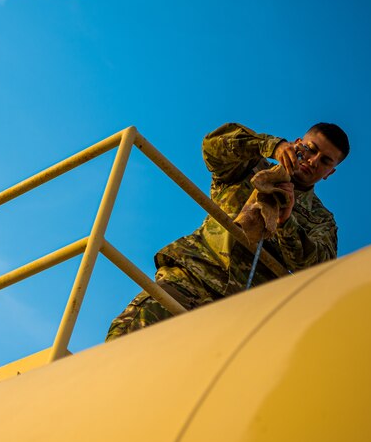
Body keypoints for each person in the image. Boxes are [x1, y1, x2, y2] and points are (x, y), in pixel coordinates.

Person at [105, 122, 349, 340]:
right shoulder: (248, 168)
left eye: (326, 161)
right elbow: (213, 146)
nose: (313, 161)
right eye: (311, 149)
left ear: (330, 173)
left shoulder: (321, 220)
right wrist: (271, 145)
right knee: (120, 351)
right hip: (189, 282)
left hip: (237, 319)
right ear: (298, 144)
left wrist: (286, 223)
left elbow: (319, 268)